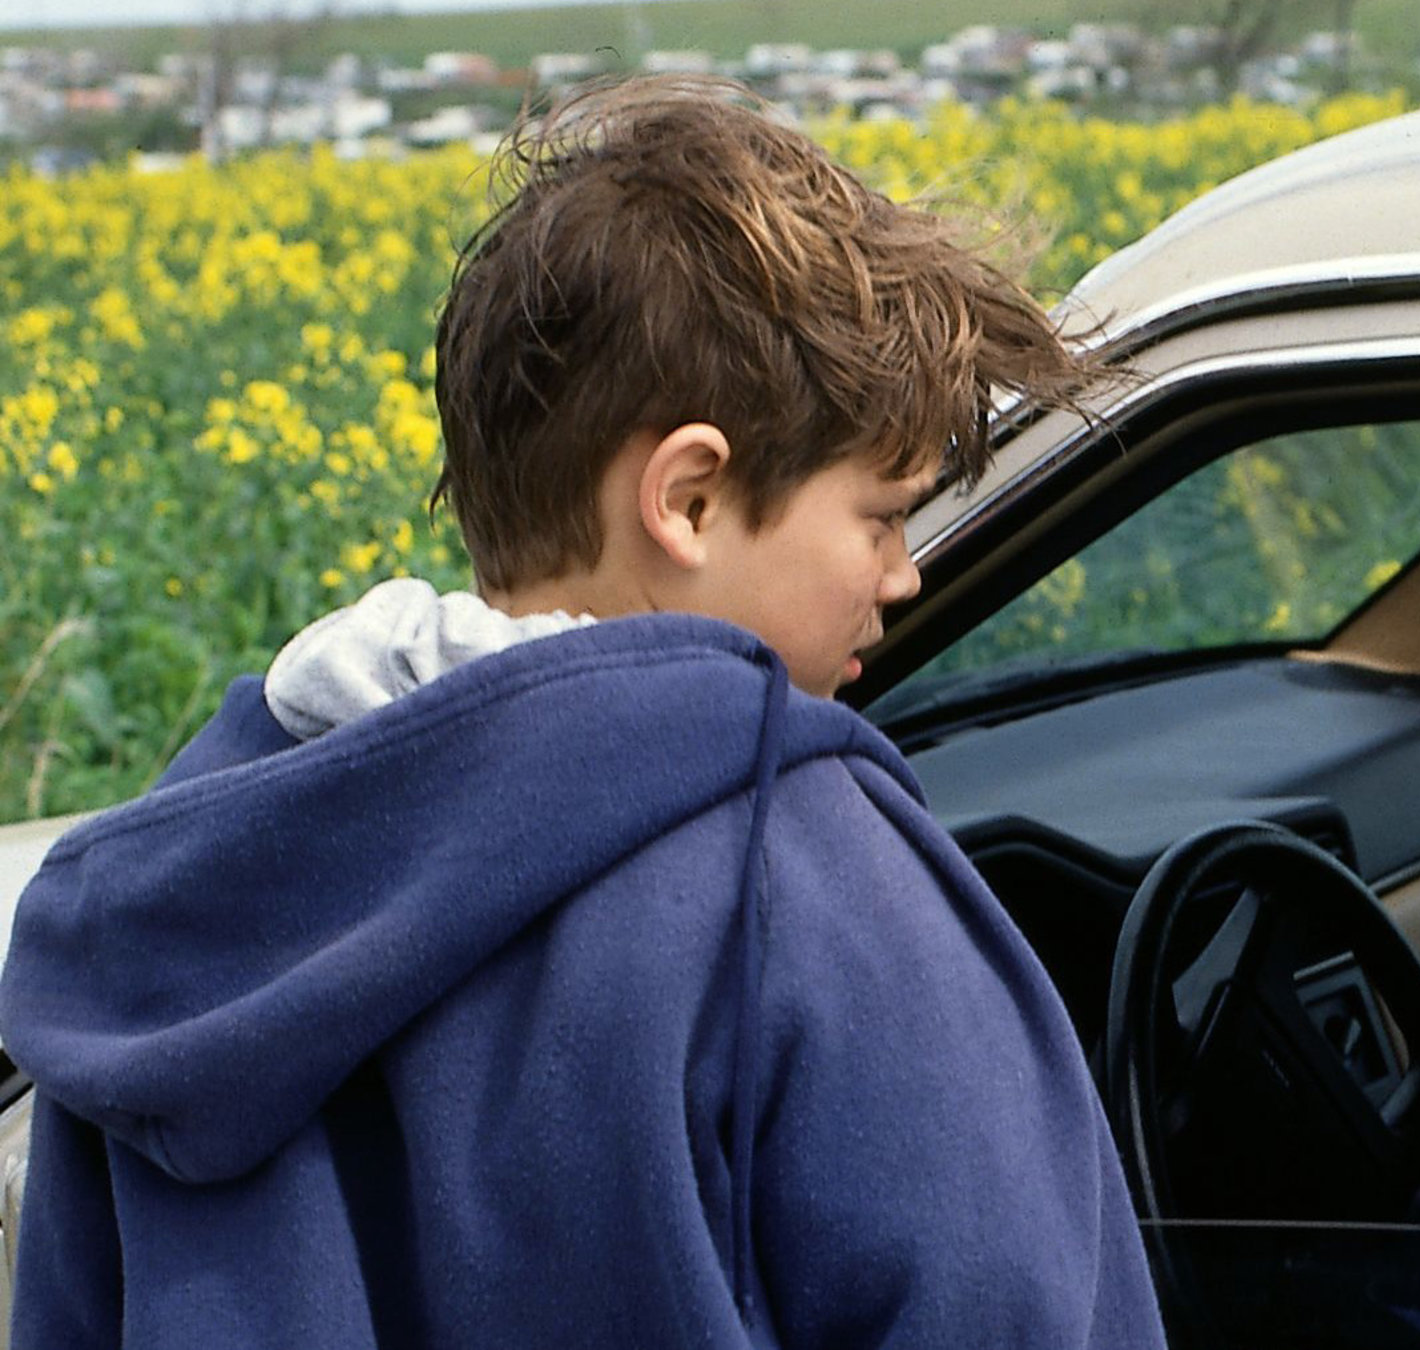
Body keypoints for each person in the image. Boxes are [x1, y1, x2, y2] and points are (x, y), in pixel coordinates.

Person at [0, 77, 1166, 1348]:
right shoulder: (809, 879)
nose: (905, 574)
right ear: (689, 500)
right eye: (880, 517)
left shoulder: (173, 902)